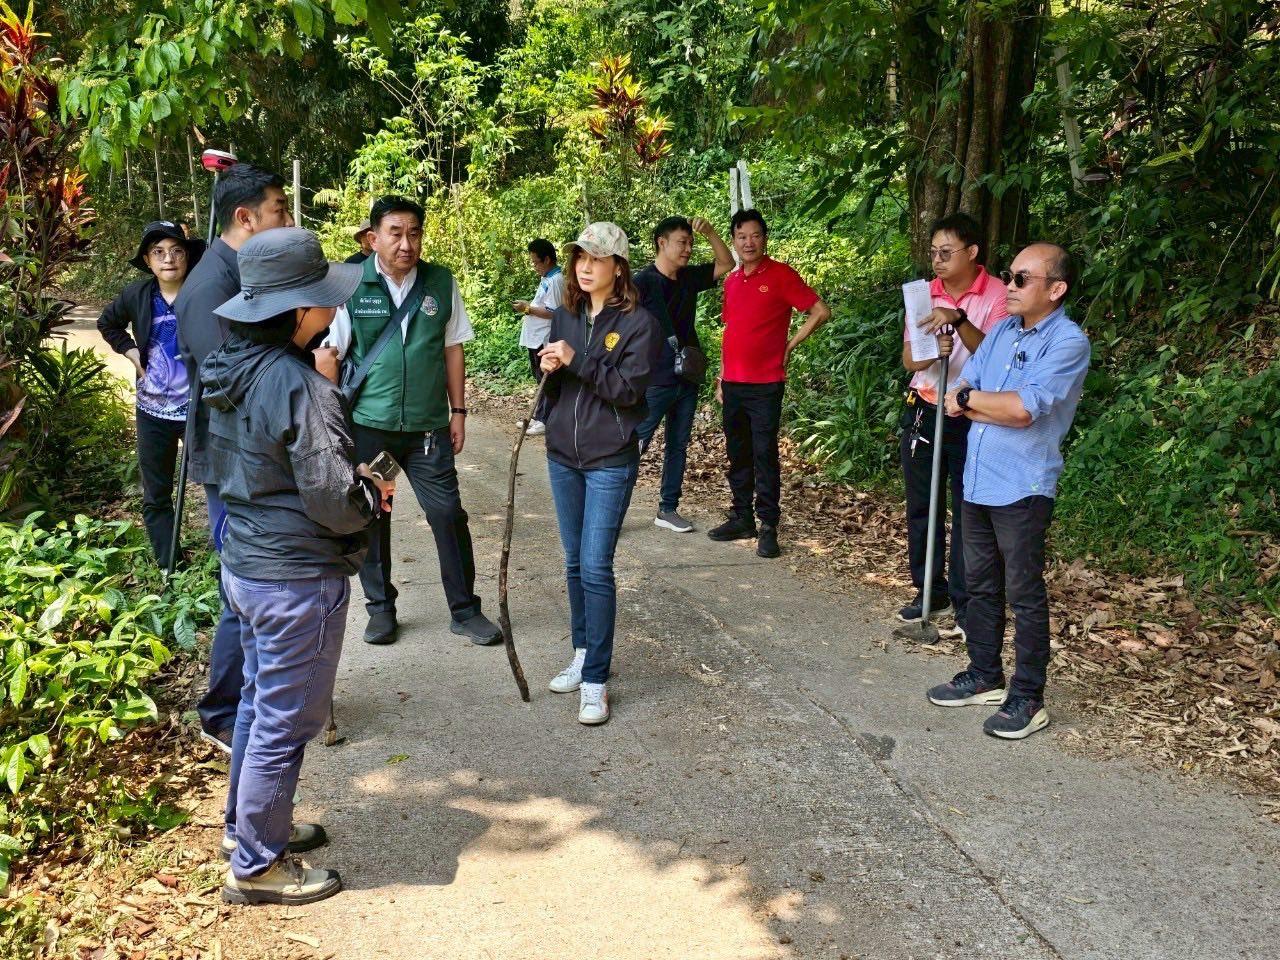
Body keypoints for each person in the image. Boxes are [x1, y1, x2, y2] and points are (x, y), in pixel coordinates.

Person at [201, 226, 391, 905]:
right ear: (300, 309)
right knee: (284, 720)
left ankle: (245, 828)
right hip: (294, 578)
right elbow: (336, 504)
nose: (333, 312)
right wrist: (368, 490)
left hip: (247, 564)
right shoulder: (298, 385)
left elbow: (260, 466)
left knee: (258, 703)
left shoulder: (229, 367)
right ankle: (256, 864)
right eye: (324, 301)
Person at [927, 243, 1090, 741]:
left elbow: (1024, 410)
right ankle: (984, 674)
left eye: (1022, 279)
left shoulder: (1067, 342)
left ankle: (1027, 696)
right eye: (1010, 276)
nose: (1010, 286)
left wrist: (975, 401)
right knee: (978, 583)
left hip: (1022, 485)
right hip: (977, 479)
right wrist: (979, 401)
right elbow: (961, 395)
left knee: (1023, 593)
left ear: (1055, 289)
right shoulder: (999, 330)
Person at [322, 195, 502, 647]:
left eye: (414, 233)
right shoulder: (350, 284)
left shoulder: (440, 282)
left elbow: (452, 347)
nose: (406, 243)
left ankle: (465, 610)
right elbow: (331, 354)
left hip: (427, 429)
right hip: (371, 426)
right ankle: (381, 610)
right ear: (373, 238)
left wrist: (457, 412)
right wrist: (330, 426)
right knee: (372, 517)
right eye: (395, 233)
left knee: (447, 514)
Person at [175, 162, 294, 753]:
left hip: (255, 457)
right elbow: (233, 381)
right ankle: (224, 709)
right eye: (279, 210)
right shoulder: (208, 288)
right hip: (231, 463)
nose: (288, 219)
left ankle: (257, 691)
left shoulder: (245, 273)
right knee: (241, 585)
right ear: (245, 218)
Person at [539, 222, 659, 725]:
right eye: (580, 257)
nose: (585, 266)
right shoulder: (566, 313)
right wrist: (546, 362)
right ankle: (582, 653)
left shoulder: (639, 323)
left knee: (595, 566)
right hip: (562, 453)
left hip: (610, 457)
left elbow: (630, 392)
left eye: (597, 258)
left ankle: (596, 681)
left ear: (618, 267)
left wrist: (578, 360)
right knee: (572, 563)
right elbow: (558, 370)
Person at [898, 213, 1009, 633]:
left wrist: (960, 322)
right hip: (925, 406)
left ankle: (966, 601)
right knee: (923, 505)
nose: (938, 260)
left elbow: (995, 359)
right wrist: (934, 347)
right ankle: (929, 590)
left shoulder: (998, 294)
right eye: (933, 253)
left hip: (972, 412)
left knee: (967, 509)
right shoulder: (922, 295)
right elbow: (912, 360)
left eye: (947, 252)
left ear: (972, 253)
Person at [709, 209, 831, 559]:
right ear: (733, 241)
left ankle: (768, 527)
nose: (749, 242)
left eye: (755, 235)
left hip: (765, 385)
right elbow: (732, 332)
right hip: (732, 383)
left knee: (764, 454)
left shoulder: (780, 275)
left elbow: (820, 311)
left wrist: (789, 346)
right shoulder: (732, 280)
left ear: (765, 238)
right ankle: (741, 517)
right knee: (737, 452)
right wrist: (721, 377)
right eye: (742, 236)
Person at [96, 220, 205, 566]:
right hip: (152, 412)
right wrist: (130, 351)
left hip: (199, 410)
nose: (168, 259)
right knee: (157, 493)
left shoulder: (204, 292)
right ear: (147, 260)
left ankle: (230, 559)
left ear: (187, 256)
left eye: (176, 251)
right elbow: (107, 323)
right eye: (158, 252)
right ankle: (170, 563)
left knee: (219, 483)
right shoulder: (137, 295)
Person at [633, 215, 734, 533]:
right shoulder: (641, 283)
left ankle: (667, 509)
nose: (689, 248)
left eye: (691, 242)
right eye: (683, 242)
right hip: (653, 381)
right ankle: (610, 507)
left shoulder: (689, 277)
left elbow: (726, 262)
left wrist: (711, 233)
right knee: (635, 443)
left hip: (686, 377)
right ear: (662, 243)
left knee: (677, 445)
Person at [513, 238, 564, 436]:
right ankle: (540, 416)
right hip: (535, 337)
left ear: (547, 259)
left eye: (536, 262)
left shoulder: (556, 281)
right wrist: (528, 307)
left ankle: (546, 420)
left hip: (545, 337)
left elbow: (553, 312)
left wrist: (527, 308)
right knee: (540, 378)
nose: (534, 266)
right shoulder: (547, 279)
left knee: (548, 380)